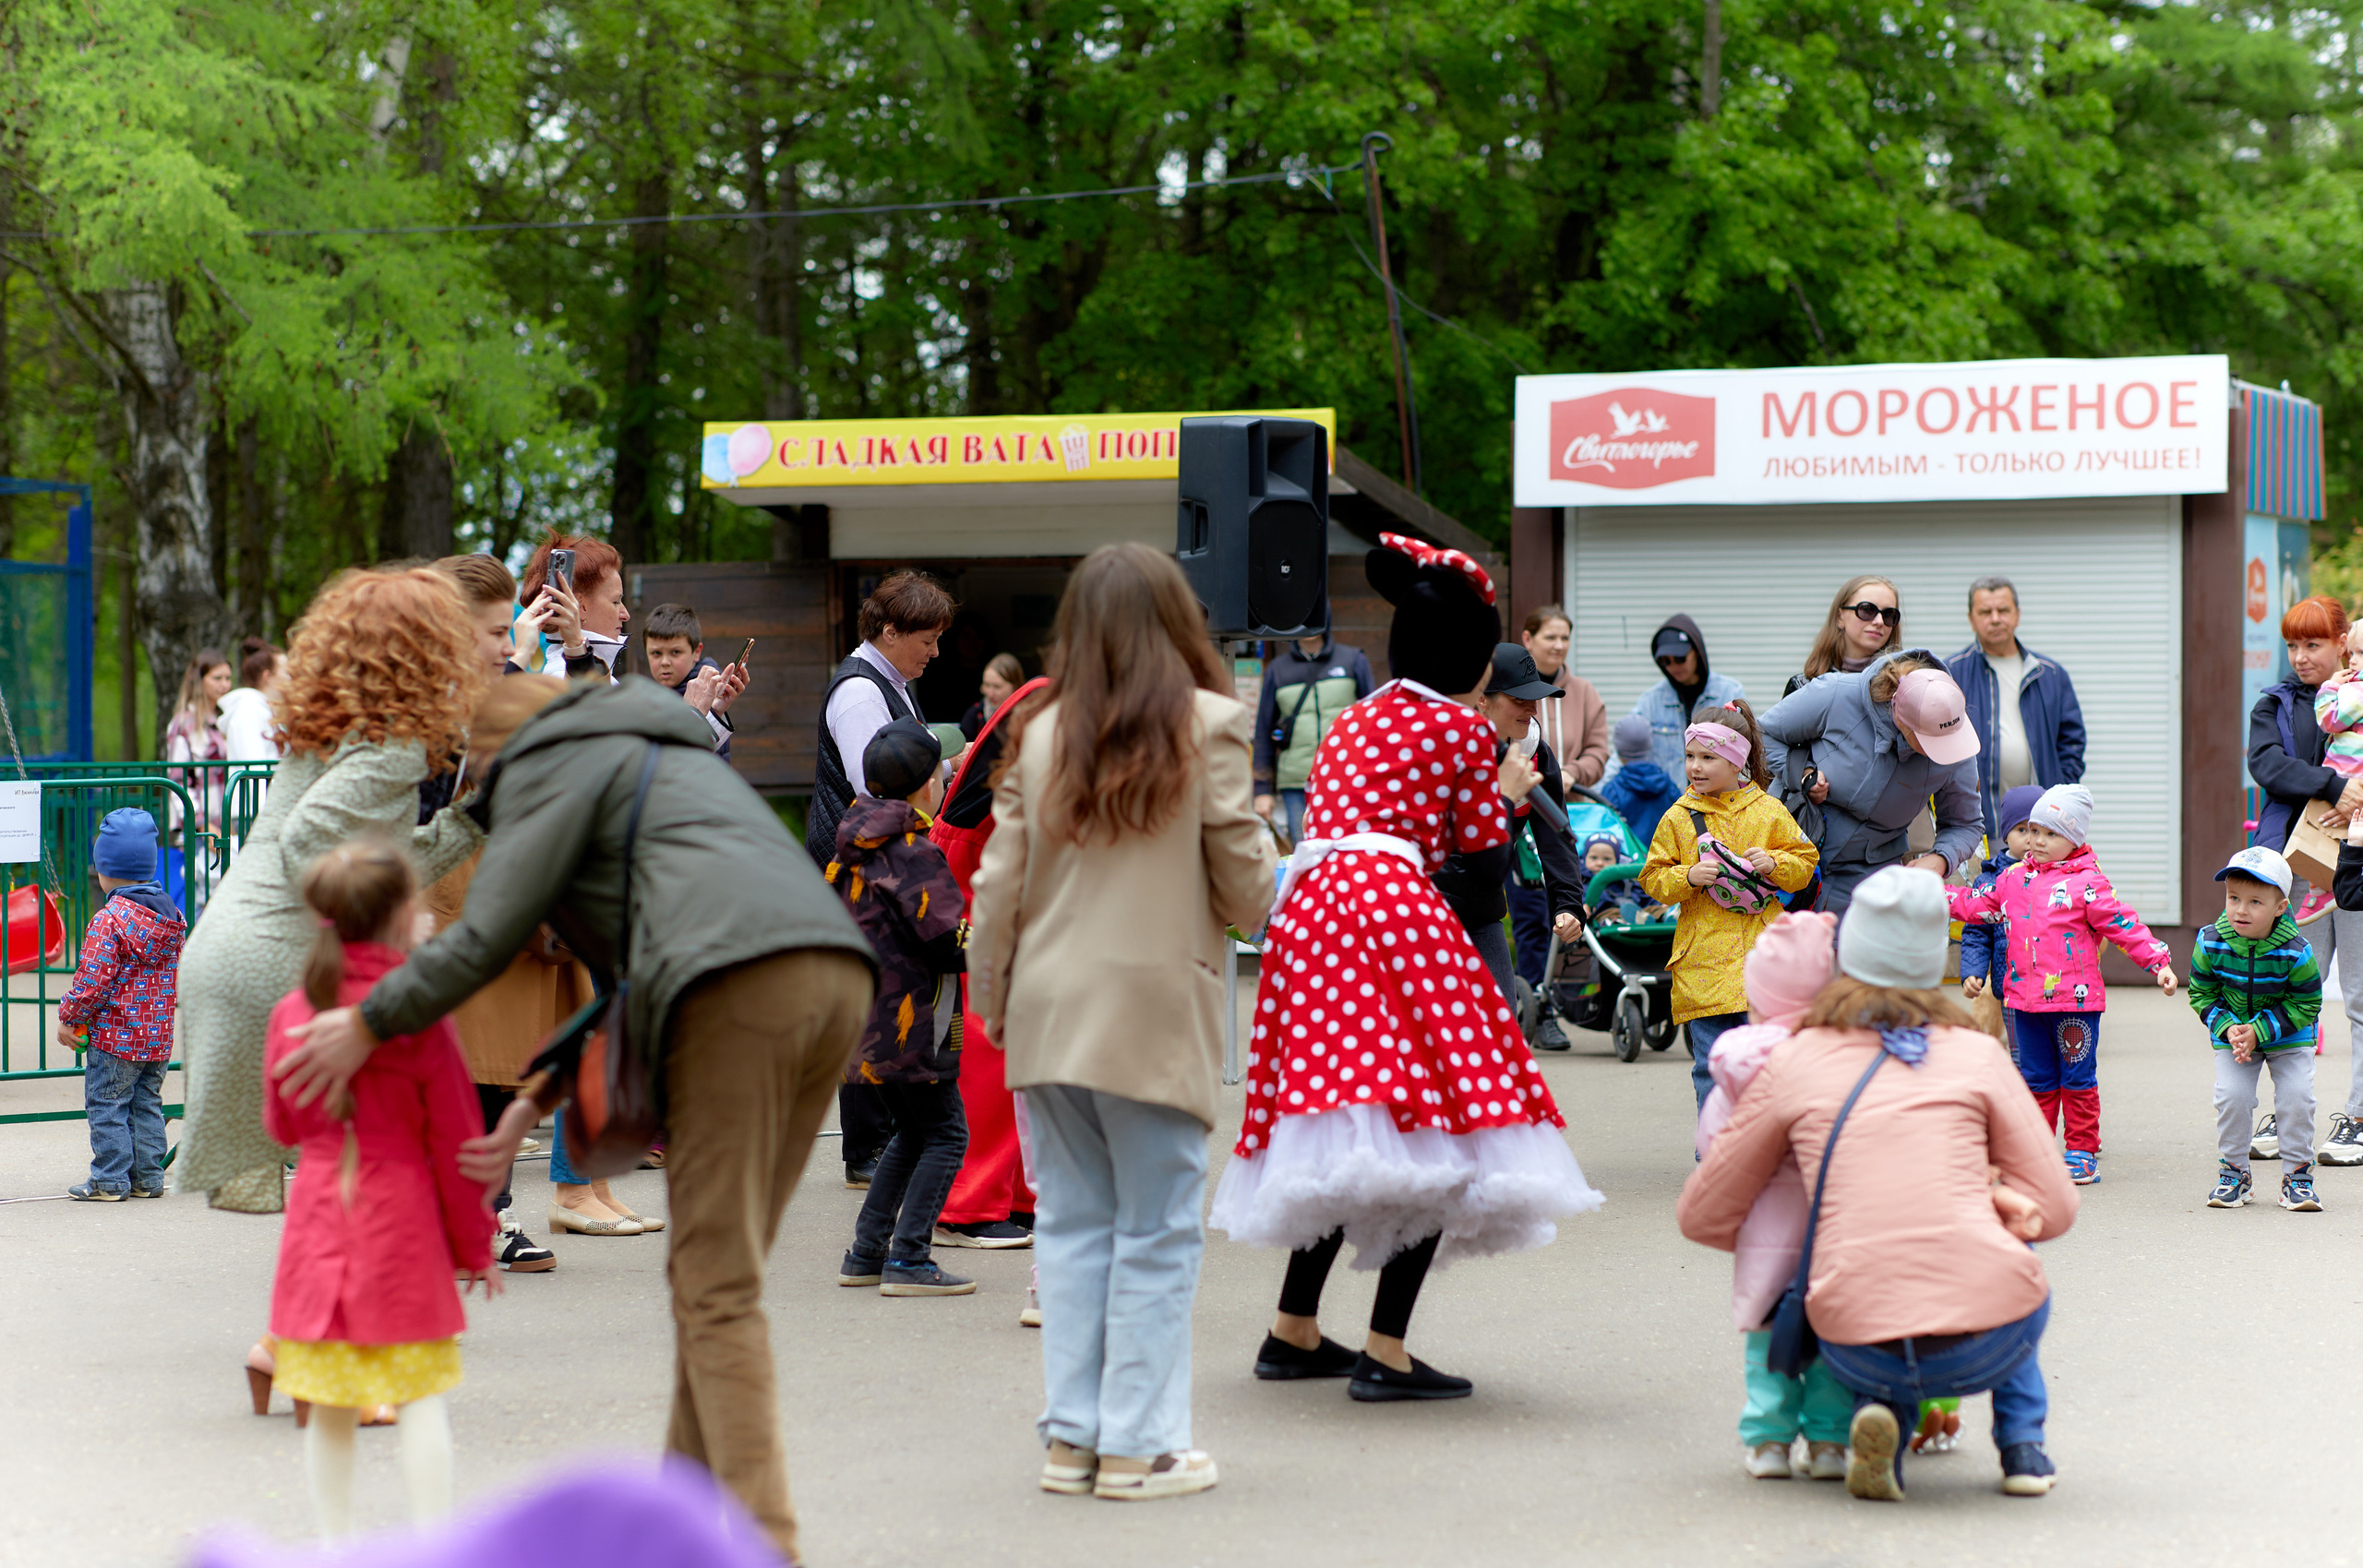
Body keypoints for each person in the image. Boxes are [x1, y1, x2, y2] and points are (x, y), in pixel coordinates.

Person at [274, 674, 875, 1564]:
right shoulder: (657, 753)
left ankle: (765, 1544)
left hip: (736, 994)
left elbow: (480, 939)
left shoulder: (547, 768)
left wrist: (367, 1020)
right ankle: (672, 1523)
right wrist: (535, 1100)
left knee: (716, 1287)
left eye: (470, 764)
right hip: (834, 976)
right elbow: (653, 953)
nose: (470, 789)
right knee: (713, 1275)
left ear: (495, 745)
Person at [1210, 533, 1601, 1408]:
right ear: (1472, 652)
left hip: (1310, 914)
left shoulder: (1358, 713)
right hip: (1395, 916)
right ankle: (1384, 1349)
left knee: (1350, 1125)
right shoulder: (1463, 729)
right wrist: (1503, 793)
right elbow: (1483, 860)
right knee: (1440, 1125)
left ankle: (1294, 1327)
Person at [966, 543, 1276, 1499]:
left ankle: (1072, 1437)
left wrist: (991, 1006)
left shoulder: (1040, 732)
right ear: (1179, 621)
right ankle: (1139, 1446)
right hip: (1154, 1015)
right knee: (1154, 1233)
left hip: (1047, 1016)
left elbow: (997, 886)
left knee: (1068, 1227)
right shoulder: (1213, 724)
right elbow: (1248, 892)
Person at [1679, 866, 2081, 1503]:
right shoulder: (1976, 1054)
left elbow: (1700, 1214)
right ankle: (2022, 1446)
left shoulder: (1796, 1059)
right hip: (1987, 1342)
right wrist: (1988, 1195)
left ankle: (1884, 1422)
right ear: (1932, 961)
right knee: (2014, 1257)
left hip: (1850, 1338)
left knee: (1864, 1262)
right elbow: (2057, 1208)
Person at [177, 568, 488, 1216]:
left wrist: (469, 819)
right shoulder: (393, 747)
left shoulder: (343, 725)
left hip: (228, 953)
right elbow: (313, 840)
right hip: (278, 964)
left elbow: (373, 853)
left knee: (329, 1193)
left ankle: (333, 1310)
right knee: (378, 1174)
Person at [262, 837, 497, 1538]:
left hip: (319, 1215)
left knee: (331, 1403)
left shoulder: (291, 1012)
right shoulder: (417, 1013)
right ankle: (436, 1544)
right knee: (421, 1396)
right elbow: (458, 1143)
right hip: (402, 1221)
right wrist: (475, 1246)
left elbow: (280, 1125)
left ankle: (335, 1547)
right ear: (403, 915)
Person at [416, 553, 568, 1268]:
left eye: (511, 630)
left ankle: (483, 1212)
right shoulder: (414, 712)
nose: (509, 645)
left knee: (505, 1069)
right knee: (457, 1069)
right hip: (443, 912)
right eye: (495, 631)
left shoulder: (511, 687)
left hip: (507, 904)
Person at [1945, 784, 2177, 1185]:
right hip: (2023, 1002)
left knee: (2077, 1079)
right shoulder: (2012, 879)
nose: (2037, 841)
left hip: (2075, 1005)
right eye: (2034, 830)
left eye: (2051, 834)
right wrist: (1934, 893)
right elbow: (1976, 904)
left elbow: (2122, 924)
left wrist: (2158, 961)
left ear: (2075, 839)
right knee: (2035, 1080)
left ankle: (2082, 1151)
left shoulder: (2088, 883)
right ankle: (2034, 1151)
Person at [810, 570, 957, 1189]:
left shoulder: (887, 680)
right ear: (891, 631)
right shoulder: (861, 694)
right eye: (927, 638)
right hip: (863, 870)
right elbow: (878, 782)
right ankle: (866, 1147)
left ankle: (878, 1140)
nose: (935, 651)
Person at [1692, 912, 1852, 1480]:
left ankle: (1768, 1442)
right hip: (1833, 1223)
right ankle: (1831, 1443)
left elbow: (1713, 1143)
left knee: (1766, 1333)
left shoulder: (1738, 1063)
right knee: (1832, 1330)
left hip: (1762, 1224)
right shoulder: (1843, 1055)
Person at [828, 720, 978, 1298]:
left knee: (911, 1133)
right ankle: (910, 1258)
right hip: (911, 1021)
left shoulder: (855, 842)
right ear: (925, 787)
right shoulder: (914, 852)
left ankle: (867, 1251)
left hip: (864, 1022)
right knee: (946, 1133)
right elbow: (945, 939)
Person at [1637, 702, 1820, 1108]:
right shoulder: (1678, 817)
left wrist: (1776, 862)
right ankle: (1716, 1157)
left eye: (1708, 757)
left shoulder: (1769, 811)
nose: (1695, 767)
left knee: (1770, 1066)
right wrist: (1687, 877)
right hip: (1703, 964)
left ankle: (1763, 1153)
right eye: (1690, 757)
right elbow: (1652, 876)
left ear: (1737, 760)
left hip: (1763, 961)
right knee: (1711, 1067)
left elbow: (1806, 863)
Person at [2250, 593, 2363, 1167]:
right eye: (2293, 645)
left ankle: (2361, 1115)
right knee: (2296, 989)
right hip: (2297, 866)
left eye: (2313, 644)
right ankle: (2288, 1109)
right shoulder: (2275, 703)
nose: (2300, 656)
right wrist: (2333, 785)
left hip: (2361, 863)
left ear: (2343, 642)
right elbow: (2266, 765)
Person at [1758, 652, 1984, 917]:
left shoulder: (1953, 740)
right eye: (1928, 742)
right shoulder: (1836, 693)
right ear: (1900, 719)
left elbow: (1965, 823)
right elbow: (1763, 733)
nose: (1941, 751)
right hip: (1785, 857)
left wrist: (1941, 859)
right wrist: (1801, 773)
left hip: (1867, 882)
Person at [1450, 641, 1587, 1047]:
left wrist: (1567, 903)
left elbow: (1556, 836)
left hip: (1480, 907)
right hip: (1424, 907)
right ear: (1482, 702)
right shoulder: (1444, 750)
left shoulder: (1535, 753)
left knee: (1501, 1027)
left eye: (1536, 699)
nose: (1532, 710)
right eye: (1519, 700)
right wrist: (1501, 800)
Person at [56, 808, 184, 1202]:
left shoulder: (108, 920)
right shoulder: (172, 918)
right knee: (146, 1104)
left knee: (108, 1105)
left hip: (116, 1038)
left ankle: (110, 1179)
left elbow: (92, 981)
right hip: (157, 1038)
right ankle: (148, 1178)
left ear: (103, 868)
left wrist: (69, 1016)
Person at [2192, 845, 2323, 1211]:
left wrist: (2260, 1031)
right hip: (2233, 1035)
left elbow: (2308, 1003)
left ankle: (2297, 1176)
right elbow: (2202, 992)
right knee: (2232, 1097)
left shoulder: (2297, 951)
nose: (2240, 910)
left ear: (2280, 908)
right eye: (2233, 898)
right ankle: (2234, 1173)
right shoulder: (2210, 941)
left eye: (2254, 902)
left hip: (2289, 1034)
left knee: (2297, 1098)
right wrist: (2229, 1028)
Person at [1944, 577, 2087, 844]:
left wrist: (2057, 790)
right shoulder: (1951, 672)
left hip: (2042, 824)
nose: (1995, 619)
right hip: (1977, 822)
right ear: (1971, 618)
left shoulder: (2050, 674)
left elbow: (2072, 743)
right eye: (1986, 612)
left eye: (2004, 610)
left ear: (2017, 615)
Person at [1252, 626, 1376, 844]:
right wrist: (1262, 790)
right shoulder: (1277, 669)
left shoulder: (1353, 659)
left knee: (1349, 847)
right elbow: (1263, 729)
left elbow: (1374, 723)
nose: (1308, 625)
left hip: (1347, 778)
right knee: (1305, 849)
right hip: (1295, 781)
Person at [1957, 784, 2045, 1047]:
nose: (2032, 839)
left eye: (2040, 831)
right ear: (2006, 835)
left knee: (2048, 1057)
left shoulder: (2058, 878)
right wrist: (1973, 971)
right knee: (2021, 1054)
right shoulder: (1990, 882)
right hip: (2011, 987)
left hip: (2052, 987)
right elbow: (1976, 933)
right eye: (2022, 830)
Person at [163, 647, 234, 885]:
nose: (224, 684)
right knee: (201, 898)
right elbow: (177, 781)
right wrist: (204, 825)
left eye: (228, 678)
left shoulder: (226, 720)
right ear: (199, 680)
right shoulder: (184, 723)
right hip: (202, 830)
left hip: (229, 823)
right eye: (217, 678)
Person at [642, 603, 750, 759]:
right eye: (656, 653)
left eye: (675, 652)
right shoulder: (653, 695)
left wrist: (708, 713)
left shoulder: (705, 695)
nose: (665, 662)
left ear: (696, 652)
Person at [1520, 604, 1610, 789]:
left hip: (1574, 808)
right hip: (1522, 807)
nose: (1559, 646)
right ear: (1528, 639)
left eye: (1565, 638)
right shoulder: (1512, 691)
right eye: (1550, 638)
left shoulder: (1585, 692)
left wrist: (1572, 773)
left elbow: (1598, 751)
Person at [520, 534, 630, 681]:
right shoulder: (560, 677)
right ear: (581, 606)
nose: (625, 615)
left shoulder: (569, 674)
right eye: (616, 602)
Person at [1785, 577, 1903, 697]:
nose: (1879, 621)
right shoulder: (1802, 686)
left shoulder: (1904, 688)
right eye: (1867, 610)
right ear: (1839, 617)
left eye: (1888, 614)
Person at [1601, 712, 1681, 849]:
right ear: (1649, 745)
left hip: (1629, 867)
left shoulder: (1612, 790)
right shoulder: (1669, 786)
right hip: (1665, 864)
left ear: (1618, 748)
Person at [219, 638, 287, 763]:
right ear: (268, 677)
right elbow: (254, 772)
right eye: (286, 672)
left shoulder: (261, 710)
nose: (291, 679)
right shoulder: (248, 712)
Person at [960, 652, 1025, 742]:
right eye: (987, 685)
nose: (990, 694)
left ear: (1015, 686)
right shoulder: (974, 715)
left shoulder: (1028, 715)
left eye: (997, 687)